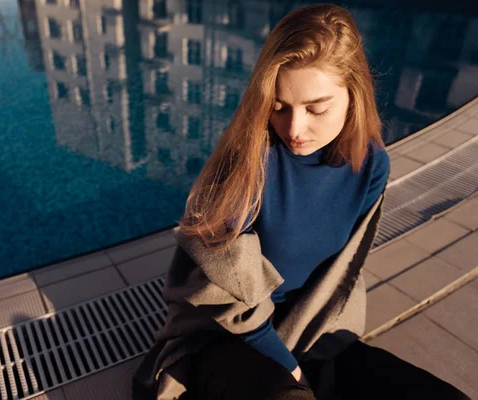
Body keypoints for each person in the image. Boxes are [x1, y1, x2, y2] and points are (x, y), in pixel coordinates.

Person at [132, 4, 471, 400]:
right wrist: (286, 363)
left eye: (317, 108)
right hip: (223, 336)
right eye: (278, 107)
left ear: (353, 95)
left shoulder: (372, 165)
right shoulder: (245, 164)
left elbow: (341, 272)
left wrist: (310, 350)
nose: (294, 129)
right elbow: (219, 294)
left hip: (311, 327)